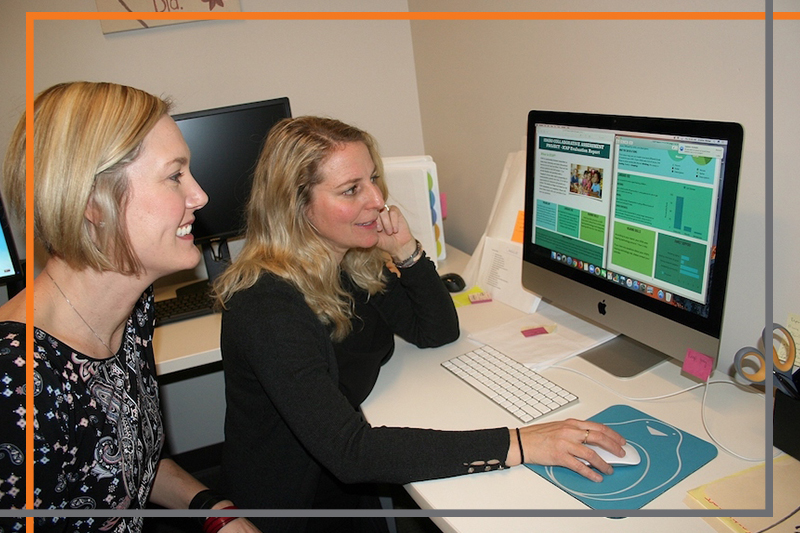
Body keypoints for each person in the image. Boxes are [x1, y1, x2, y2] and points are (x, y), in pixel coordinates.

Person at [213, 116, 627, 532]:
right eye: (351, 189)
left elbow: (437, 331)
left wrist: (407, 252)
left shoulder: (346, 260)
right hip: (295, 507)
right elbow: (352, 452)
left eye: (373, 179)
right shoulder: (266, 308)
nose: (377, 199)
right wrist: (519, 443)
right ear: (295, 206)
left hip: (341, 483)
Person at [0, 81, 259, 533]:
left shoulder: (132, 313)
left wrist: (215, 510)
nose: (199, 197)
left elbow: (128, 464)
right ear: (91, 203)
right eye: (175, 175)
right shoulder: (16, 385)